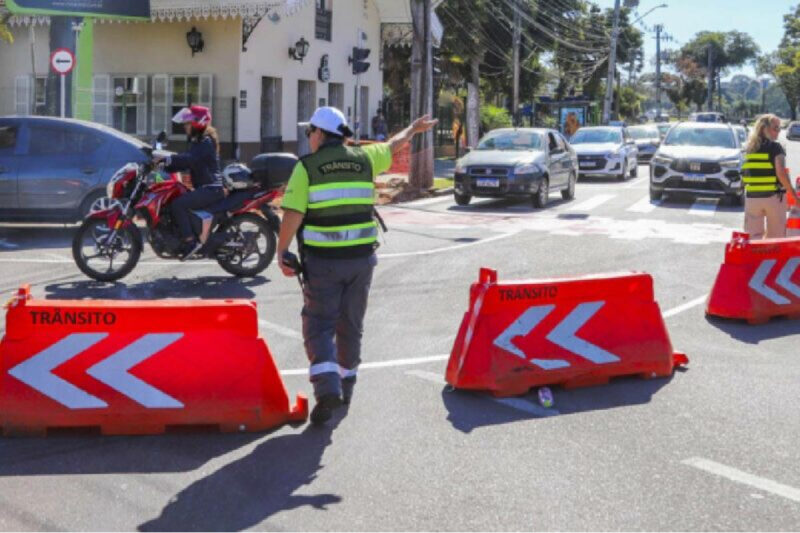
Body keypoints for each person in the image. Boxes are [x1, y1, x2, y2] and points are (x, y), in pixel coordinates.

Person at [278, 106, 437, 425]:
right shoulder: (365, 158)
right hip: (362, 261)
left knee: (319, 325)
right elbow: (393, 146)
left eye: (310, 132)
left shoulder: (307, 167)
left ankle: (326, 390)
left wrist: (281, 251)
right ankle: (345, 386)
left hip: (323, 263)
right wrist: (412, 128)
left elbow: (293, 214)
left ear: (320, 134)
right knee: (350, 324)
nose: (309, 138)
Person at [156, 105, 225, 259]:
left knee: (178, 204)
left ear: (197, 123)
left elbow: (189, 160)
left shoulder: (205, 142)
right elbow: (186, 161)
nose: (185, 126)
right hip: (206, 188)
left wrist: (167, 159)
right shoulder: (199, 141)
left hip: (210, 189)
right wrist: (165, 164)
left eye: (187, 123)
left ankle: (190, 242)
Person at [741, 114, 800, 239]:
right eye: (775, 128)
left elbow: (744, 173)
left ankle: (754, 258)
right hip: (773, 197)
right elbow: (781, 173)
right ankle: (769, 258)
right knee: (775, 237)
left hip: (752, 198)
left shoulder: (748, 148)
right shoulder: (775, 147)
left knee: (753, 237)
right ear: (764, 129)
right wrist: (794, 195)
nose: (779, 132)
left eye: (779, 128)